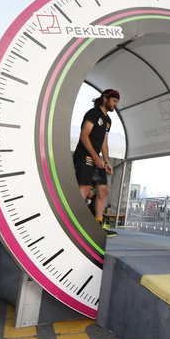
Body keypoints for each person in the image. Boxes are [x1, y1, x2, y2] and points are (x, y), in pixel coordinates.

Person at [73, 88, 120, 237]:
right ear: (105, 98)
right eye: (114, 101)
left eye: (117, 102)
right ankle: (75, 224)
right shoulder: (93, 113)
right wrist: (95, 157)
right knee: (85, 189)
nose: (115, 105)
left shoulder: (108, 121)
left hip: (97, 159)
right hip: (84, 155)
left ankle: (98, 224)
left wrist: (106, 162)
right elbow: (84, 135)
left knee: (103, 190)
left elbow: (104, 143)